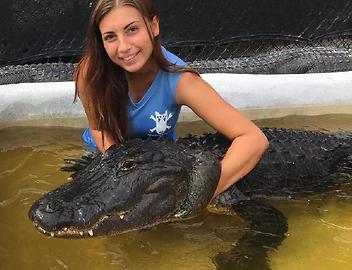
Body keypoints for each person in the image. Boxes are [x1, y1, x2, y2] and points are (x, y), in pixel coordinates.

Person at [73, 0, 269, 198]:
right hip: (104, 154)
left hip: (161, 165)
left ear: (153, 26)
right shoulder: (91, 73)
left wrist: (199, 194)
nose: (123, 47)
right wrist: (121, 174)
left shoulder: (182, 81)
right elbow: (99, 128)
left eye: (132, 29)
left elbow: (253, 138)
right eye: (110, 37)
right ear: (101, 42)